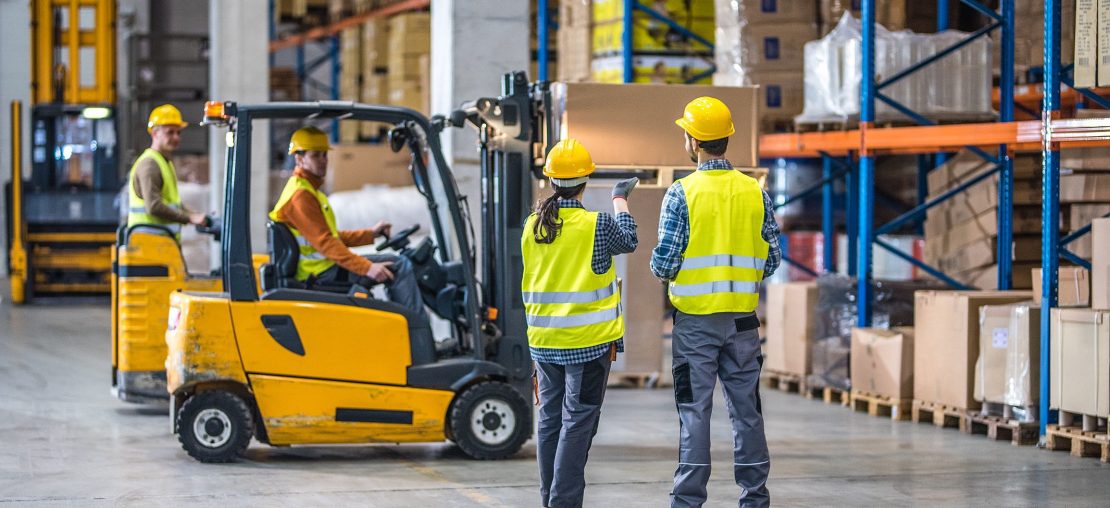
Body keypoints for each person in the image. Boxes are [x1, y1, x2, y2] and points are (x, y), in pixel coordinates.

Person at [651, 97, 782, 508]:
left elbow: (664, 264)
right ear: (727, 138)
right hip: (743, 323)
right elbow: (772, 259)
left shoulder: (681, 193)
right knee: (747, 411)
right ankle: (755, 498)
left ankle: (688, 501)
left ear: (693, 141)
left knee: (694, 411)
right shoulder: (755, 191)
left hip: (695, 325)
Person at [521, 139, 639, 508]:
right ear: (586, 180)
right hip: (588, 344)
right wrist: (619, 199)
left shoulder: (532, 226)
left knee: (550, 420)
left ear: (550, 180)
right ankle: (563, 503)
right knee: (577, 422)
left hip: (545, 342)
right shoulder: (596, 225)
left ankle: (550, 499)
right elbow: (630, 239)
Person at [269, 126, 427, 321]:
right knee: (399, 265)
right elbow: (327, 243)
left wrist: (371, 234)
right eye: (316, 156)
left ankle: (403, 326)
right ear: (299, 159)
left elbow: (331, 237)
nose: (323, 160)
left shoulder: (308, 190)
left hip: (322, 269)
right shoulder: (301, 196)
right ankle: (416, 331)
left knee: (393, 264)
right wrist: (367, 268)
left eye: (325, 155)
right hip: (319, 274)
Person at [127, 104, 208, 238]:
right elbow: (154, 206)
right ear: (155, 133)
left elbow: (171, 203)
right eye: (170, 132)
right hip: (148, 244)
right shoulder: (149, 164)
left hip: (162, 244)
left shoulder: (165, 162)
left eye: (178, 132)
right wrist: (188, 218)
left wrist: (192, 214)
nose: (176, 137)